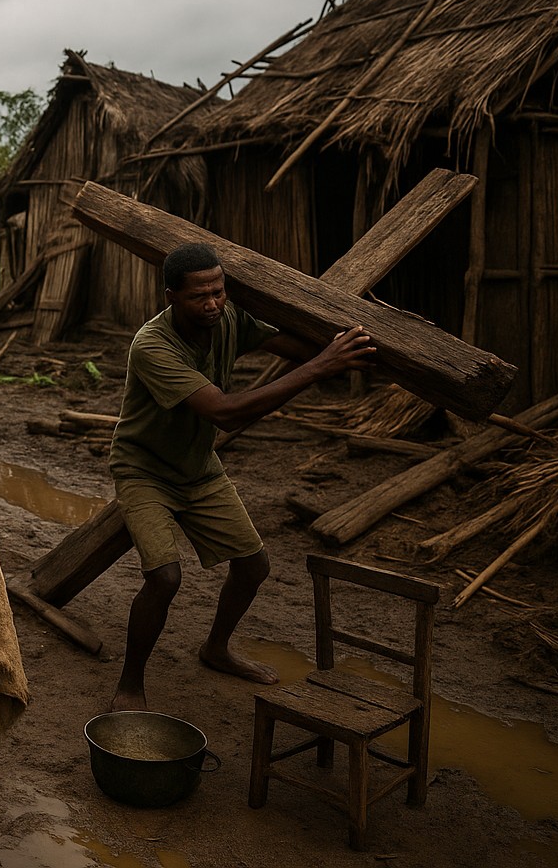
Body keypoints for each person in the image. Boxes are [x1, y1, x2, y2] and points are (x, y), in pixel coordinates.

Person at [108, 243, 376, 712]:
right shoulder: (152, 345)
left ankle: (216, 648)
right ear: (171, 296)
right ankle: (130, 683)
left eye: (219, 291)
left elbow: (301, 349)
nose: (212, 303)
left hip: (198, 467)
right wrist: (321, 365)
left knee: (254, 566)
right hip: (144, 469)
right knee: (165, 578)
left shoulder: (229, 319)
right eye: (199, 297)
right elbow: (226, 414)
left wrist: (340, 346)